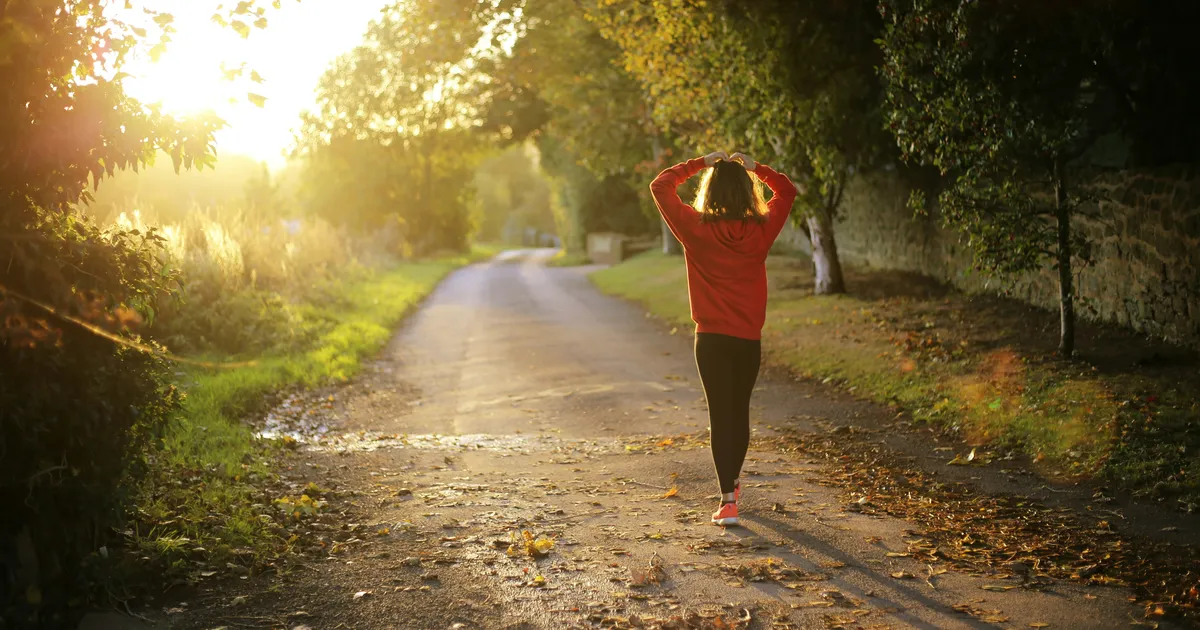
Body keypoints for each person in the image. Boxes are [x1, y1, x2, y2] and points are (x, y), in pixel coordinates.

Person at [649, 150, 797, 526]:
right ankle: (731, 485)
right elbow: (787, 191)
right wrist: (756, 168)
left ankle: (728, 500)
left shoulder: (695, 228)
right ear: (748, 193)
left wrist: (700, 163)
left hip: (711, 339)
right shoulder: (762, 229)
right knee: (739, 412)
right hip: (747, 339)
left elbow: (660, 185)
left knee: (720, 414)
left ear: (709, 192)